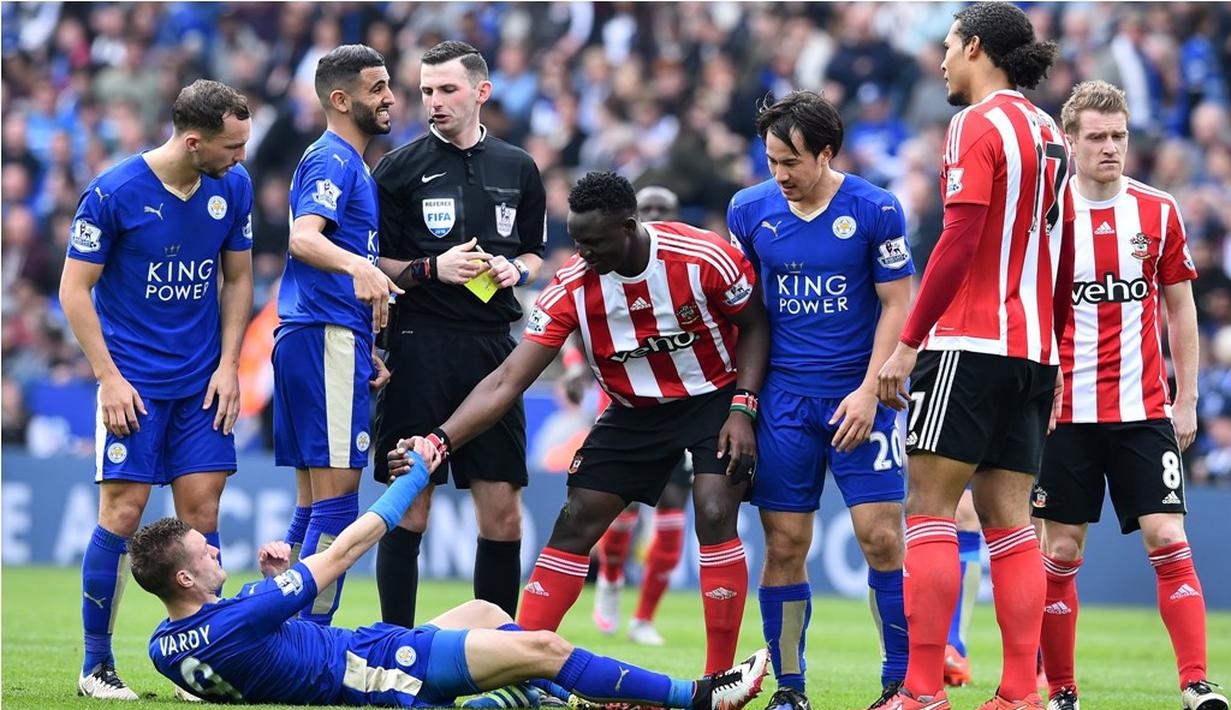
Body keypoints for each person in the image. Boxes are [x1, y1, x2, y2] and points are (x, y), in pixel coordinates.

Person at [390, 170, 770, 676]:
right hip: (634, 411)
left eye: (594, 242)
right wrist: (440, 440)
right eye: (576, 240)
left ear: (629, 227)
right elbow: (507, 380)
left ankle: (718, 679)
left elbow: (755, 323)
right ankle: (521, 668)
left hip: (714, 399)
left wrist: (744, 407)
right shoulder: (572, 286)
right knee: (576, 520)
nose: (583, 253)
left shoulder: (701, 255)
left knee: (715, 510)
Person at [131, 448, 771, 709]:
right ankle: (699, 697)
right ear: (185, 577)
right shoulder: (239, 616)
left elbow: (275, 656)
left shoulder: (165, 647)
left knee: (486, 613)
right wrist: (418, 475)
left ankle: (531, 698)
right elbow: (350, 544)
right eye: (204, 553)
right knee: (546, 649)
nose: (216, 552)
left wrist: (277, 594)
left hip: (352, 655)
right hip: (374, 676)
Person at [874, 4, 1075, 709]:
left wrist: (905, 346)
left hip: (964, 344)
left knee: (927, 511)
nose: (940, 62)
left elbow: (957, 241)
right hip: (1031, 354)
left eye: (947, 47)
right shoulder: (1051, 135)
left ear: (977, 48)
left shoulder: (975, 124)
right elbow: (1059, 256)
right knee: (1011, 525)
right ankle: (1019, 693)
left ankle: (922, 691)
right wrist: (1055, 360)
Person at [1034, 80, 1228, 710]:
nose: (1110, 147)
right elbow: (1028, 305)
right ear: (1070, 141)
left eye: (1118, 136)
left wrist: (1187, 397)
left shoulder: (1158, 210)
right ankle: (1061, 690)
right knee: (1061, 550)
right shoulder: (1048, 213)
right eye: (1097, 137)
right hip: (1066, 415)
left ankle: (1196, 684)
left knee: (1169, 537)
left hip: (1144, 408)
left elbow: (1181, 308)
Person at [60, 79, 254, 700]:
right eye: (232, 145)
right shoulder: (113, 192)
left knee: (201, 517)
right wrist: (108, 377)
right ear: (193, 141)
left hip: (202, 386)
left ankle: (205, 664)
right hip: (135, 387)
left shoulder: (233, 187)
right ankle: (97, 667)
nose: (241, 157)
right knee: (121, 515)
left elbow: (239, 279)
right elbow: (73, 289)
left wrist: (230, 364)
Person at [727, 91, 914, 710]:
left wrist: (868, 391)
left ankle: (900, 682)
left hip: (863, 398)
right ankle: (790, 688)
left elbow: (897, 304)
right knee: (783, 545)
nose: (780, 175)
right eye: (771, 161)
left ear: (826, 152)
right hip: (784, 402)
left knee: (881, 538)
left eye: (791, 162)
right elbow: (745, 314)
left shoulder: (875, 208)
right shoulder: (749, 210)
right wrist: (744, 402)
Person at [371, 39, 547, 626]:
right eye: (425, 91)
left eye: (446, 89)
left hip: (494, 353)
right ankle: (394, 652)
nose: (433, 102)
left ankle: (494, 652)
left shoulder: (518, 166)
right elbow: (374, 266)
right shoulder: (397, 168)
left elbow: (535, 252)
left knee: (502, 513)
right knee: (410, 506)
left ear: (481, 91)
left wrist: (515, 268)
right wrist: (431, 269)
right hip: (419, 345)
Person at [273, 44, 401, 626]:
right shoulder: (333, 160)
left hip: (327, 337)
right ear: (341, 99)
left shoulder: (354, 164)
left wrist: (365, 341)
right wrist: (360, 268)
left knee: (312, 497)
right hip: (322, 336)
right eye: (377, 88)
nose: (391, 97)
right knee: (339, 500)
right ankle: (309, 635)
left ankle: (279, 626)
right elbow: (303, 237)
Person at [588, 185, 693, 646]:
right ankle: (610, 579)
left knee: (673, 509)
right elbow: (578, 327)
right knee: (624, 506)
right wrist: (574, 369)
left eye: (662, 209)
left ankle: (644, 617)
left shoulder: (691, 269)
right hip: (627, 408)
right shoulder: (607, 272)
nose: (654, 216)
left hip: (685, 410)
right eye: (646, 209)